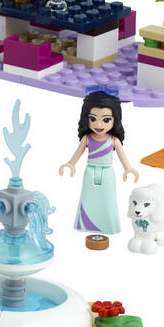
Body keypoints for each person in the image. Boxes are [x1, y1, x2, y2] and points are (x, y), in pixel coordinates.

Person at [58, 89, 138, 249]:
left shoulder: (113, 140)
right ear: (86, 118)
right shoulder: (87, 138)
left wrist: (128, 169)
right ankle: (85, 224)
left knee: (108, 200)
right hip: (90, 172)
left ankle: (108, 225)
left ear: (115, 120)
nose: (99, 125)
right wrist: (70, 164)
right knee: (87, 198)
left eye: (106, 119)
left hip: (107, 173)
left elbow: (122, 157)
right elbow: (77, 153)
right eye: (93, 119)